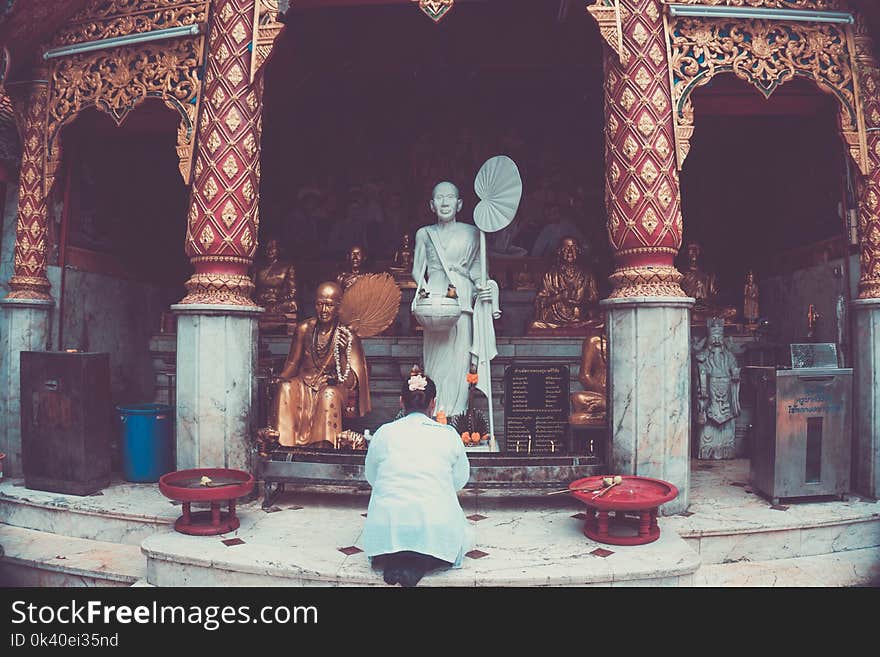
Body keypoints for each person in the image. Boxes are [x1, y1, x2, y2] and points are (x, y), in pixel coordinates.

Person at [361, 367, 470, 587]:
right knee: (461, 530)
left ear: (401, 401)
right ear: (433, 403)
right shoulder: (448, 435)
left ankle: (395, 557)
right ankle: (421, 560)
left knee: (393, 526)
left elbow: (371, 477)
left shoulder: (384, 432)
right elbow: (460, 480)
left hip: (387, 526)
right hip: (435, 527)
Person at [411, 181, 498, 417]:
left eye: (450, 197)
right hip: (436, 299)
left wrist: (486, 288)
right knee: (436, 360)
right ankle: (435, 413)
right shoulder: (425, 234)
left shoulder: (474, 232)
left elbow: (480, 272)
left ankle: (457, 416)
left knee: (461, 361)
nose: (445, 202)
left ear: (459, 204)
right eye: (439, 198)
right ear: (431, 204)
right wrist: (426, 292)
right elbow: (418, 270)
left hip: (462, 298)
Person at [268, 281, 370, 447]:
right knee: (285, 388)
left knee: (328, 394)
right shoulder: (304, 328)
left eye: (329, 305)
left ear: (338, 307)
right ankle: (283, 442)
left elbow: (350, 382)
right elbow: (293, 362)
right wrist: (280, 379)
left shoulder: (347, 335)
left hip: (333, 386)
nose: (324, 310)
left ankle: (324, 445)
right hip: (303, 382)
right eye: (320, 304)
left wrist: (343, 352)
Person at [529, 236, 602, 331]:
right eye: (566, 249)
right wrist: (559, 297)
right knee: (535, 325)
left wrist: (580, 303)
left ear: (579, 251)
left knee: (599, 322)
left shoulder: (587, 275)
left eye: (573, 248)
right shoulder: (550, 275)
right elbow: (540, 301)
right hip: (556, 318)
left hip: (580, 316)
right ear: (560, 252)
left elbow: (594, 299)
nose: (570, 252)